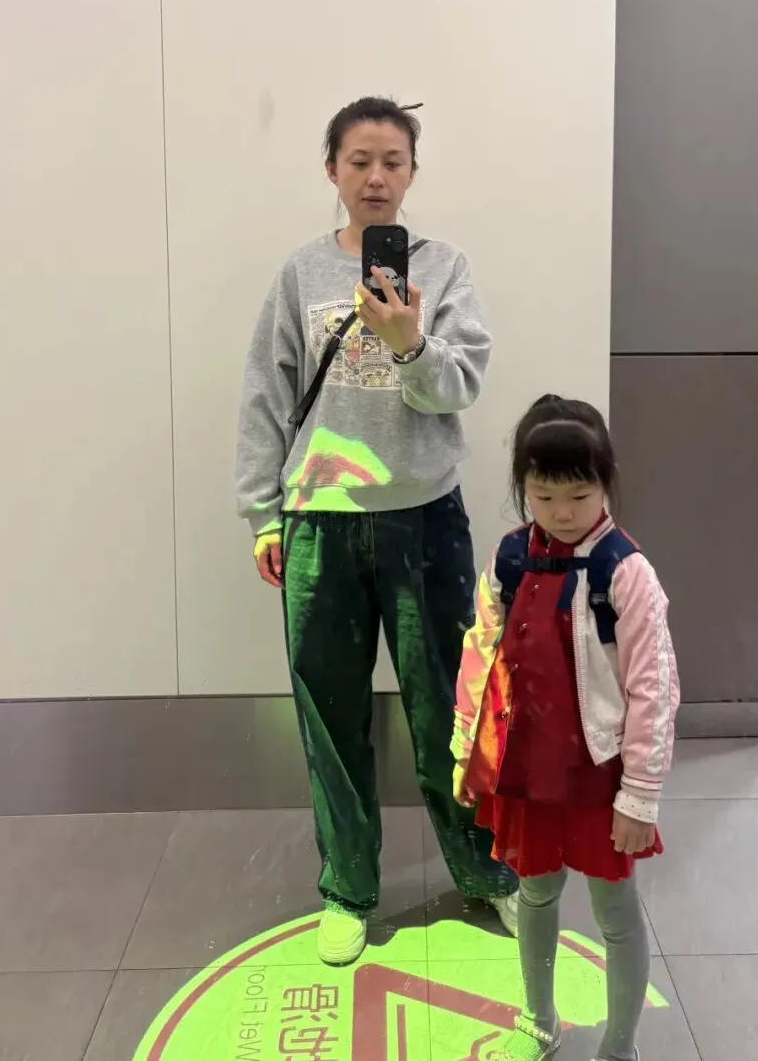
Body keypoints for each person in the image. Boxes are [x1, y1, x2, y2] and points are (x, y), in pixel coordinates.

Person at [236, 96, 518, 966]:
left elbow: (460, 385)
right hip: (320, 520)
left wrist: (408, 342)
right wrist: (262, 512)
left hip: (425, 518)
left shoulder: (445, 267)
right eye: (359, 160)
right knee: (330, 715)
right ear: (332, 170)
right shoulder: (300, 275)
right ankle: (348, 889)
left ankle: (484, 871)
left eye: (393, 161)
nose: (375, 177)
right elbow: (266, 396)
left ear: (412, 173)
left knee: (447, 711)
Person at [451, 396, 679, 1061]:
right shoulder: (509, 558)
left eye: (579, 495)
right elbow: (480, 653)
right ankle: (538, 1020)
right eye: (543, 496)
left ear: (606, 482)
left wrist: (640, 796)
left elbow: (654, 688)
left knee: (615, 911)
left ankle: (620, 1046)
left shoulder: (625, 573)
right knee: (535, 892)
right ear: (522, 487)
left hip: (599, 776)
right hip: (528, 769)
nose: (562, 512)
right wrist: (467, 749)